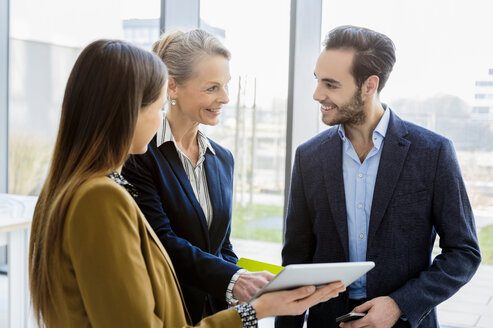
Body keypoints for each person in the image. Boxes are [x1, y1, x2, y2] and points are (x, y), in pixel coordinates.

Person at [28, 39, 346, 328]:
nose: (158, 119)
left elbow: (218, 245)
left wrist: (245, 290)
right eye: (157, 106)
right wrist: (255, 311)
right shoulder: (99, 197)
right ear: (125, 112)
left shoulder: (86, 188)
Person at [275, 25, 481, 328]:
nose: (318, 94)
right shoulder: (309, 157)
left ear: (369, 86)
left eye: (331, 85)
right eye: (318, 81)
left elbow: (463, 252)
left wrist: (400, 304)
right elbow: (296, 259)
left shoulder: (433, 152)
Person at [122, 29, 270, 323]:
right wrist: (235, 279)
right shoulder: (139, 155)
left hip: (215, 313)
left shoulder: (222, 159)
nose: (225, 98)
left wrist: (240, 301)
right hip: (164, 311)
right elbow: (161, 241)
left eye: (225, 86)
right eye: (212, 88)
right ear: (172, 87)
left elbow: (221, 244)